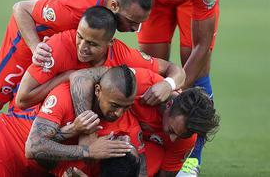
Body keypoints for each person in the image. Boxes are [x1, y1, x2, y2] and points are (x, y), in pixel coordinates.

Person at [0, 0, 152, 122]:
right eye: (133, 22)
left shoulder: (103, 16)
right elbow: (21, 8)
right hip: (33, 40)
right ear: (114, 5)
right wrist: (35, 46)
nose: (135, 30)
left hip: (62, 47)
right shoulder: (75, 10)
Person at [0, 65, 142, 176]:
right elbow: (33, 147)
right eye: (115, 105)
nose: (119, 113)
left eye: (126, 107)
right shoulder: (67, 95)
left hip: (6, 167)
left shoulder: (89, 167)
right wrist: (87, 149)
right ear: (98, 91)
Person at [15, 6, 185, 112]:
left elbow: (176, 70)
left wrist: (167, 84)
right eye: (80, 37)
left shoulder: (122, 54)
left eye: (92, 44)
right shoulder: (57, 47)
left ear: (110, 42)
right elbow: (22, 100)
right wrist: (67, 77)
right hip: (41, 120)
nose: (82, 47)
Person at [68, 66, 220, 176]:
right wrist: (87, 132)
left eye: (182, 135)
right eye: (172, 130)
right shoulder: (142, 84)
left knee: (144, 159)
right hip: (102, 127)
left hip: (141, 150)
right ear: (169, 105)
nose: (173, 139)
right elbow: (79, 77)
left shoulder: (186, 138)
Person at [136, 0, 220, 175]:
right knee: (152, 70)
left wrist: (174, 87)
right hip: (154, 1)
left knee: (198, 71)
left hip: (191, 2)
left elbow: (202, 45)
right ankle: (152, 144)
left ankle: (192, 158)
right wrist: (165, 83)